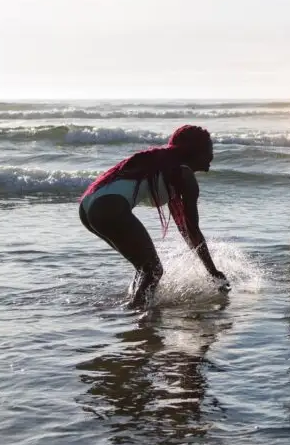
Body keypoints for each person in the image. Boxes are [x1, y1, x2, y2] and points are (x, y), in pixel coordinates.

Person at [79, 124, 229, 308]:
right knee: (154, 270)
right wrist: (212, 271)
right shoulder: (184, 175)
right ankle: (139, 317)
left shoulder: (168, 167)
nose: (212, 156)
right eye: (209, 149)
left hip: (88, 208)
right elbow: (192, 230)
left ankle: (134, 307)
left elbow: (185, 229)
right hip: (109, 207)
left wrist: (210, 271)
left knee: (145, 269)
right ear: (195, 151)